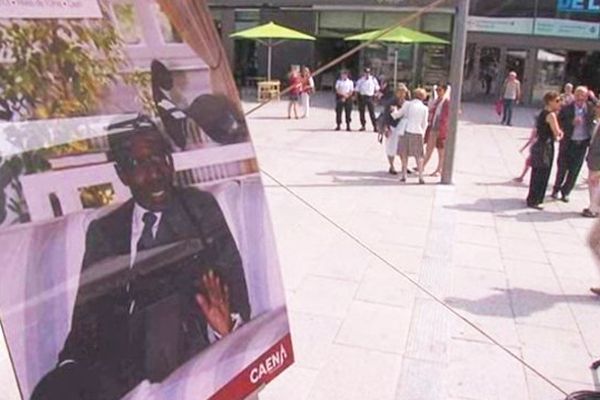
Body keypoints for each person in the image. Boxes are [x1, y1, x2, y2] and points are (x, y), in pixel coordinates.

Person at [31, 116, 251, 400]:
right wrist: (69, 372)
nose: (156, 172)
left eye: (161, 157)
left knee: (163, 310)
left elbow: (234, 291)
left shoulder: (199, 210)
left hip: (170, 350)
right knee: (51, 390)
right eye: (140, 164)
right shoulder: (104, 231)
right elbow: (86, 315)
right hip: (110, 368)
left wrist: (224, 329)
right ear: (121, 173)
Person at [552, 86, 597, 203]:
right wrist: (570, 123)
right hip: (568, 142)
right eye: (577, 94)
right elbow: (558, 122)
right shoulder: (566, 108)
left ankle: (566, 192)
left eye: (582, 95)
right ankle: (556, 189)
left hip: (581, 144)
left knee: (575, 169)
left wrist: (594, 98)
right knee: (562, 168)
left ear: (586, 97)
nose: (579, 97)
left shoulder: (591, 108)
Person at [526, 91, 564, 210]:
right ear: (550, 101)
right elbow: (557, 132)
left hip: (539, 144)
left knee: (536, 172)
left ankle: (531, 198)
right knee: (543, 173)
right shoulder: (551, 115)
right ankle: (536, 199)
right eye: (557, 101)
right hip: (546, 146)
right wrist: (560, 134)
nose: (559, 103)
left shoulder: (542, 113)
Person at [391, 88, 429, 184]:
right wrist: (423, 134)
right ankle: (420, 176)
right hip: (418, 132)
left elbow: (397, 115)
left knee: (404, 154)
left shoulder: (407, 104)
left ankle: (404, 175)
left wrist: (393, 110)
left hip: (406, 131)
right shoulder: (425, 108)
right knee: (419, 156)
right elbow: (424, 123)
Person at [379, 84, 410, 175]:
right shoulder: (391, 102)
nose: (401, 94)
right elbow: (386, 116)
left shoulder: (407, 102)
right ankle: (391, 166)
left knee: (403, 148)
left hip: (404, 127)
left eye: (403, 92)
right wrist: (386, 127)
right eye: (400, 92)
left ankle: (404, 165)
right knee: (391, 147)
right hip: (392, 127)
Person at [424, 84, 450, 177]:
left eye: (440, 90)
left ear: (444, 91)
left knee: (441, 151)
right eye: (437, 90)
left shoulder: (446, 101)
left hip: (441, 129)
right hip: (433, 126)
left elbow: (447, 116)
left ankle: (439, 169)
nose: (438, 92)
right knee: (429, 148)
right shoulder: (436, 101)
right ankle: (422, 165)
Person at [582, 102, 600, 218]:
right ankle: (593, 207)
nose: (596, 109)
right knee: (593, 183)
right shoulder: (597, 121)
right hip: (593, 157)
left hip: (598, 159)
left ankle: (593, 209)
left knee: (594, 184)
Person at [355, 67, 381, 132]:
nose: (367, 74)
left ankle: (375, 126)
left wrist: (376, 96)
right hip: (362, 97)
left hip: (370, 97)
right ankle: (363, 126)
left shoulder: (373, 79)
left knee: (372, 112)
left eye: (368, 72)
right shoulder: (360, 80)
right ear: (364, 73)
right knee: (362, 112)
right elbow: (357, 90)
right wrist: (356, 99)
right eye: (366, 72)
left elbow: (377, 88)